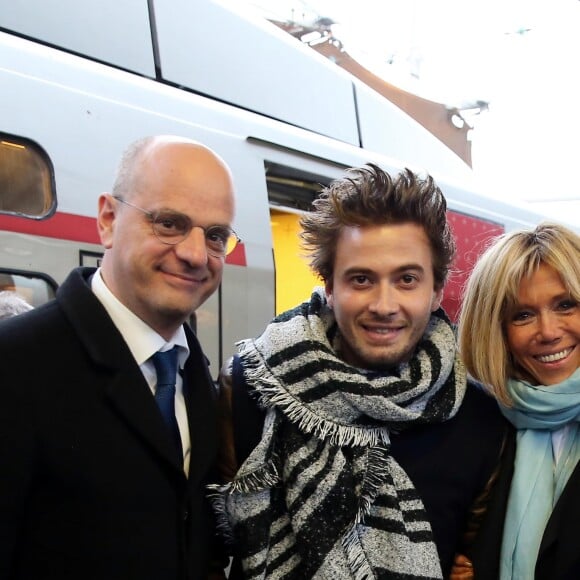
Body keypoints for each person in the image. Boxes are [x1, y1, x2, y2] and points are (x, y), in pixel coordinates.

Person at [213, 164, 508, 579]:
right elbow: (204, 551)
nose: (384, 305)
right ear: (329, 287)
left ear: (437, 290)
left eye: (407, 279)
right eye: (361, 279)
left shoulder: (480, 417)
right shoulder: (251, 386)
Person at [0, 135, 239, 580]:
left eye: (216, 236)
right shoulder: (14, 365)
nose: (193, 254)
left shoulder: (196, 374)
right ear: (108, 220)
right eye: (169, 223)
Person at [451, 222, 580, 580]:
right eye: (522, 315)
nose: (549, 332)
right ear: (496, 330)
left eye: (566, 304)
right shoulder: (477, 427)